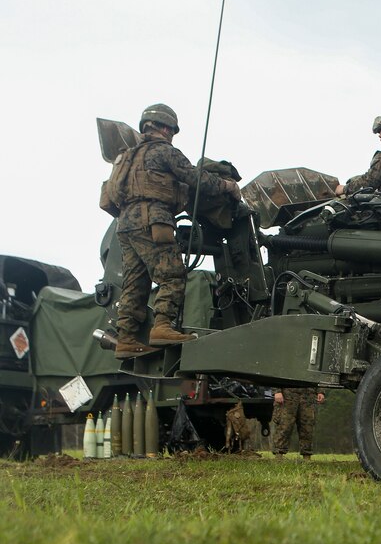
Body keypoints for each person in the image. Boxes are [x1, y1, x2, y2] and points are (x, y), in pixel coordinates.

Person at [106, 103, 241, 358]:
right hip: (153, 220)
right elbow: (197, 179)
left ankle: (125, 339)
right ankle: (162, 327)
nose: (171, 134)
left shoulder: (127, 157)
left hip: (124, 226)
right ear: (165, 127)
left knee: (136, 282)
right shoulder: (164, 152)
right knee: (172, 274)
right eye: (171, 129)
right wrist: (227, 185)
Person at [272, 387, 325, 460]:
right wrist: (277, 391)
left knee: (307, 427)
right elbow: (276, 375)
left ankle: (307, 458)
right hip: (287, 394)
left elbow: (318, 376)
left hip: (308, 395)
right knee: (284, 426)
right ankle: (279, 457)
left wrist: (320, 392)